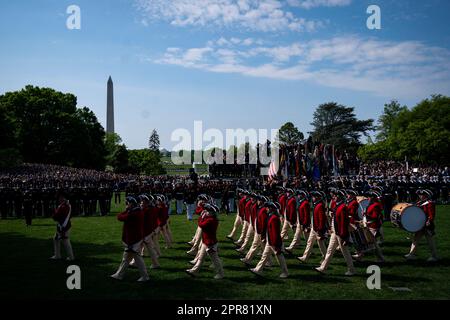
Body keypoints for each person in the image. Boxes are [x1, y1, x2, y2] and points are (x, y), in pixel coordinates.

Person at [315, 190, 356, 276]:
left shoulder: (343, 207)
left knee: (345, 253)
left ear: (339, 197)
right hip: (335, 232)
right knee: (329, 250)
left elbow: (343, 223)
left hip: (340, 234)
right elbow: (335, 220)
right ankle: (323, 268)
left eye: (335, 196)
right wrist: (331, 228)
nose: (333, 197)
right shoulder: (338, 206)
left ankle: (351, 270)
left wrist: (344, 237)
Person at [111, 196, 149, 282]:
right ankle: (119, 274)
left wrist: (126, 210)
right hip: (135, 239)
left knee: (136, 259)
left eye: (127, 203)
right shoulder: (137, 211)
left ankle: (145, 276)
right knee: (126, 259)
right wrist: (128, 209)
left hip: (133, 240)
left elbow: (120, 217)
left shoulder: (134, 213)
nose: (126, 204)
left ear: (131, 204)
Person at [250, 202, 289, 279]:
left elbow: (275, 233)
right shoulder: (271, 216)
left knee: (280, 257)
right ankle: (258, 269)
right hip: (270, 241)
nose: (266, 209)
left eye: (267, 208)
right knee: (264, 256)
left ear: (271, 209)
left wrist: (276, 245)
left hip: (274, 242)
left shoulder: (274, 218)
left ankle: (285, 272)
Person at [186, 204, 224, 280]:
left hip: (210, 243)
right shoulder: (210, 218)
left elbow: (201, 225)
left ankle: (221, 274)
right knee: (200, 258)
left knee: (215, 259)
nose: (205, 212)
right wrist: (203, 216)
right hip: (206, 242)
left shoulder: (211, 220)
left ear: (212, 213)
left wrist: (201, 217)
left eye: (207, 211)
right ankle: (194, 271)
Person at [404, 189, 439, 262]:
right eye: (420, 195)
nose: (420, 196)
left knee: (430, 241)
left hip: (427, 225)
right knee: (415, 239)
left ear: (426, 196)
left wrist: (429, 220)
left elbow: (431, 214)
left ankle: (434, 256)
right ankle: (411, 254)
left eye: (422, 195)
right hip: (420, 225)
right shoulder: (420, 202)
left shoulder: (430, 203)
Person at [353, 191, 385, 263]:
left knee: (372, 243)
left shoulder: (376, 205)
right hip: (369, 225)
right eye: (368, 197)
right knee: (370, 243)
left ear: (373, 197)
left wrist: (366, 214)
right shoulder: (371, 204)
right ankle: (360, 256)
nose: (368, 198)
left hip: (373, 226)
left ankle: (380, 258)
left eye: (369, 197)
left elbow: (375, 216)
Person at [297, 191, 327, 263]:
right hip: (314, 228)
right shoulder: (317, 204)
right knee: (310, 242)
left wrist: (320, 229)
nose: (312, 198)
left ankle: (325, 258)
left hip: (317, 229)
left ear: (317, 197)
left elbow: (321, 219)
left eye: (313, 197)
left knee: (321, 244)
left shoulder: (319, 205)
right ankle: (305, 257)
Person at [240, 196, 269, 265]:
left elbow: (263, 223)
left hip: (260, 232)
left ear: (262, 201)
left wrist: (262, 234)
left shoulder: (263, 210)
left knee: (255, 246)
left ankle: (248, 259)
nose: (258, 201)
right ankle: (269, 261)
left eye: (259, 200)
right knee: (264, 247)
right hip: (258, 230)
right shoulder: (259, 208)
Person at [50, 192, 75, 261]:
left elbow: (56, 217)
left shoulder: (64, 206)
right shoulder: (65, 205)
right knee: (56, 239)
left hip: (64, 226)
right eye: (59, 197)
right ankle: (57, 255)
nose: (59, 199)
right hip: (63, 225)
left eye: (61, 197)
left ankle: (71, 257)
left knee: (65, 240)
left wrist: (53, 212)